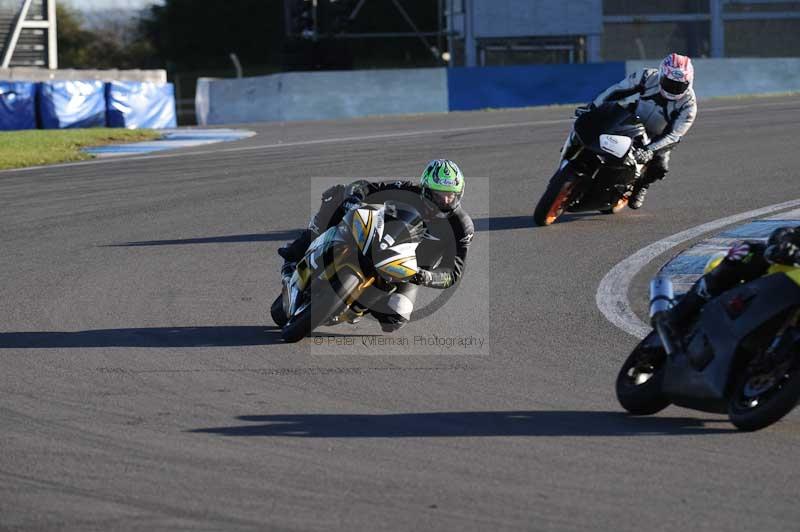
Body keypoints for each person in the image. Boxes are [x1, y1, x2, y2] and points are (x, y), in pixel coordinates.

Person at [278, 159, 474, 332]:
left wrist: (425, 276)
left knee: (396, 318)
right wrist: (354, 197)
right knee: (337, 195)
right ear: (424, 189)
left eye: (451, 195)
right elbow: (367, 187)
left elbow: (452, 272)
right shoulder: (406, 191)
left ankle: (358, 305)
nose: (445, 201)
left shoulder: (462, 227)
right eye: (439, 195)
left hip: (408, 270)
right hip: (376, 239)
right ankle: (297, 251)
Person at [661, 226, 800, 356]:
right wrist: (784, 242)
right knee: (746, 252)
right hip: (780, 283)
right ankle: (678, 316)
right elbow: (787, 233)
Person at [591, 53, 697, 209]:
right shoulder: (647, 76)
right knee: (598, 127)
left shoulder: (689, 105)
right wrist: (594, 107)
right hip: (632, 119)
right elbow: (617, 90)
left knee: (661, 167)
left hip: (657, 137)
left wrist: (650, 150)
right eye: (669, 83)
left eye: (679, 86)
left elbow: (674, 135)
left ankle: (642, 186)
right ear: (661, 75)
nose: (673, 89)